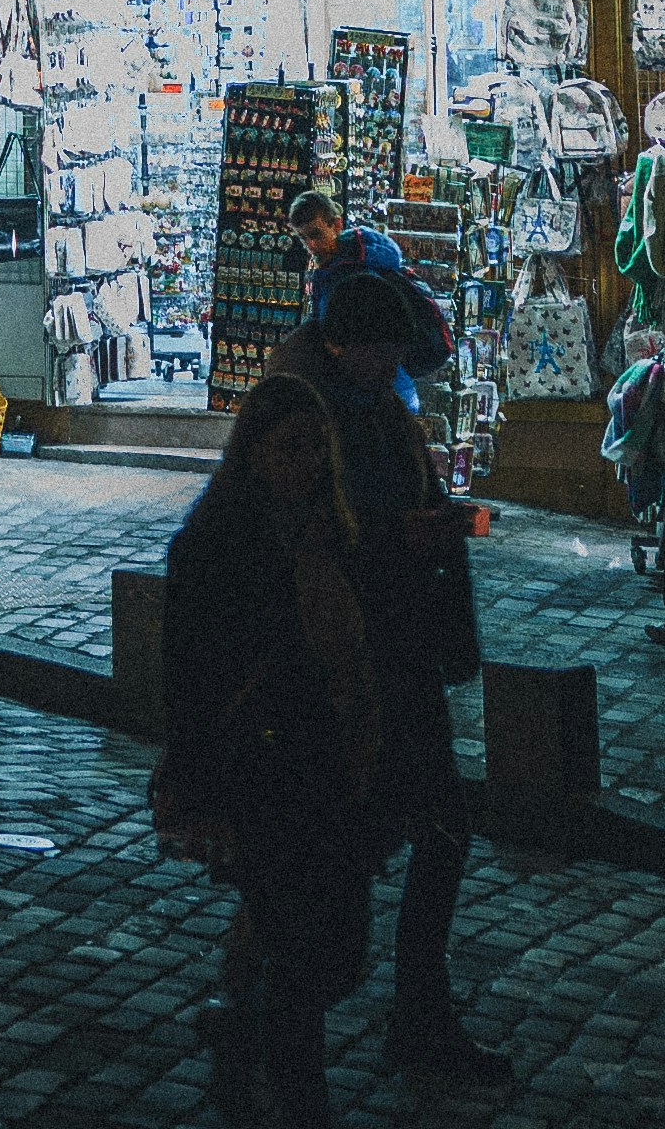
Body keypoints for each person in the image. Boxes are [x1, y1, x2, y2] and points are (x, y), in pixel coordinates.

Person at [263, 270, 503, 1092]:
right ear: (348, 346)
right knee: (345, 857)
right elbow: (300, 542)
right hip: (346, 670)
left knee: (432, 835)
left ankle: (412, 1019)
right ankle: (289, 1042)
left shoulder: (372, 404)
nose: (394, 363)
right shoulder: (306, 419)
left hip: (398, 656)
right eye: (385, 350)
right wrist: (401, 534)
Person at [155, 372, 382, 1127]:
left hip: (329, 760)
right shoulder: (216, 545)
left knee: (330, 942)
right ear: (252, 453)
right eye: (291, 449)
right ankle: (294, 1098)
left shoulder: (331, 531)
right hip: (262, 767)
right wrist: (198, 790)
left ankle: (239, 1029)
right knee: (297, 943)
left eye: (319, 449)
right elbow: (188, 680)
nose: (308, 464)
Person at [285, 186, 421, 409]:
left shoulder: (351, 271)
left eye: (316, 234)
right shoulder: (341, 267)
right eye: (303, 238)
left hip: (370, 393)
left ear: (336, 225)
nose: (310, 245)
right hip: (382, 388)